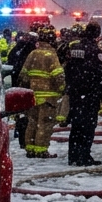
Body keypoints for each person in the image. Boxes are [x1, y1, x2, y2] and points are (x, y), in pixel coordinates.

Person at [64, 21, 102, 166]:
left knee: (76, 125)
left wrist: (71, 86)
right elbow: (100, 73)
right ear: (96, 34)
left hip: (76, 92)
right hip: (90, 94)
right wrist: (101, 93)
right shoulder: (96, 52)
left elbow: (68, 69)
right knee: (88, 126)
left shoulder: (74, 48)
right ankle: (84, 155)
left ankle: (73, 155)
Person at [18, 26, 65, 158]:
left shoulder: (33, 54)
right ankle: (41, 150)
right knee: (45, 123)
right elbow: (58, 76)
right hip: (48, 98)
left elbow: (23, 75)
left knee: (32, 122)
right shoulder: (51, 55)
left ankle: (30, 148)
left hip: (33, 96)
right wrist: (62, 89)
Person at [8, 28, 38, 149]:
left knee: (20, 112)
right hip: (27, 85)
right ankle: (25, 139)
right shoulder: (31, 51)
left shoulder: (16, 49)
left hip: (16, 84)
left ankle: (19, 134)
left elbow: (12, 63)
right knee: (28, 114)